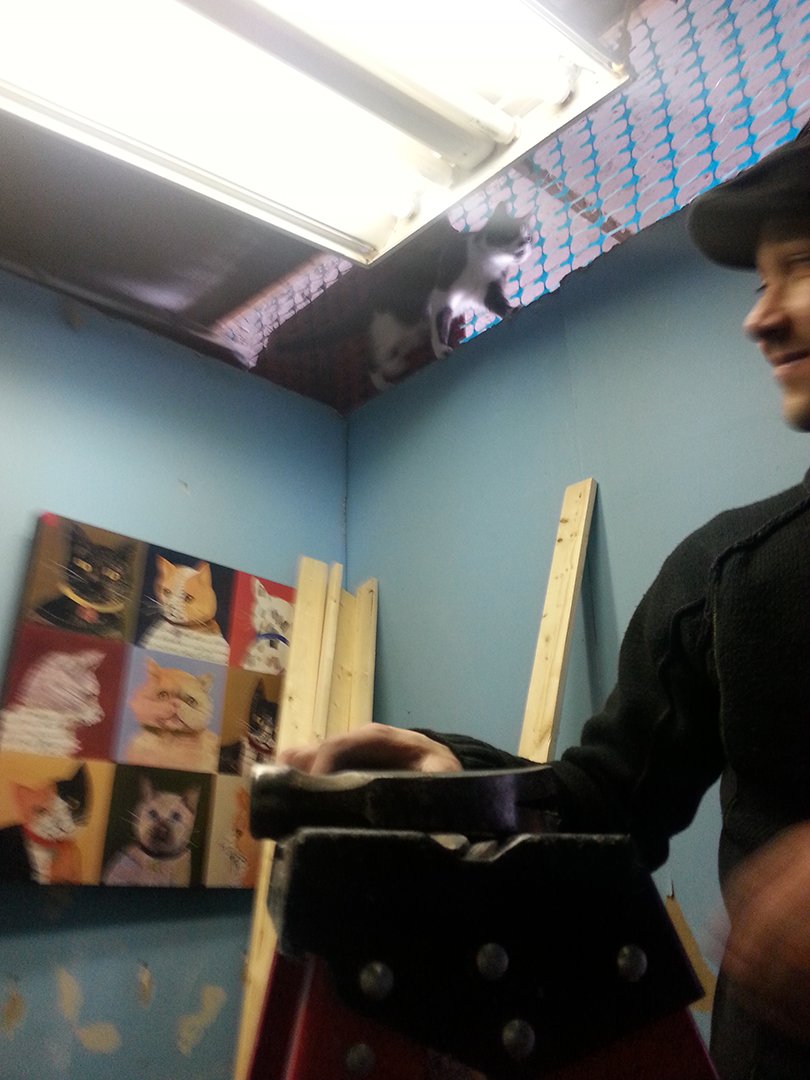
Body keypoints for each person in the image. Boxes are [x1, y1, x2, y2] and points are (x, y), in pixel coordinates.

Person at [280, 121, 810, 1080]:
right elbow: (607, 809)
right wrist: (455, 778)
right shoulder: (726, 577)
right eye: (757, 284)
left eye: (800, 267)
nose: (759, 319)